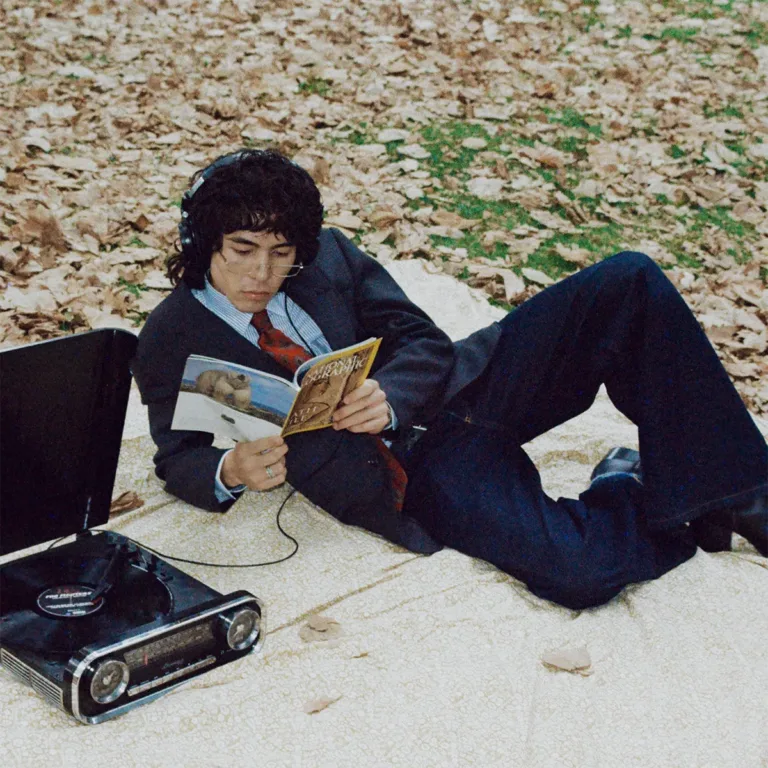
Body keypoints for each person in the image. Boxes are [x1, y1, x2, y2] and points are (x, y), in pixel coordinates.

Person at [132, 148, 768, 610]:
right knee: (579, 572)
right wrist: (231, 469)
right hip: (415, 471)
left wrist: (392, 394)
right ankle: (632, 485)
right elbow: (179, 457)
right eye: (242, 250)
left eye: (281, 253)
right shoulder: (172, 336)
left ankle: (742, 492)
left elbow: (423, 339)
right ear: (203, 242)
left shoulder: (329, 257)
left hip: (465, 389)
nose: (263, 274)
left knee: (628, 281)